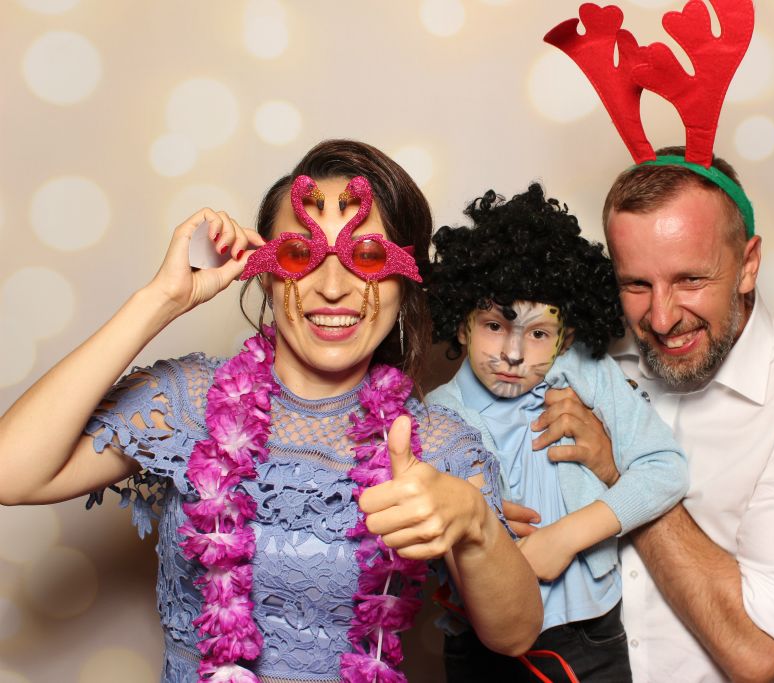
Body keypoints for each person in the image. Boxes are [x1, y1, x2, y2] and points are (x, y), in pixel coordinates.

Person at [0, 139, 542, 683]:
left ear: (406, 280)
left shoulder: (438, 445)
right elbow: (11, 473)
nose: (333, 287)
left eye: (369, 257)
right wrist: (161, 300)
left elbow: (514, 635)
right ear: (264, 270)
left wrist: (476, 523)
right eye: (300, 254)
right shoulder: (188, 401)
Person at [528, 147, 774, 683]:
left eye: (690, 280)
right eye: (636, 284)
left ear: (748, 265)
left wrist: (621, 471)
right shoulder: (584, 358)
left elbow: (758, 653)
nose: (662, 318)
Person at [424, 183, 688, 682]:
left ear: (566, 337)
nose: (514, 354)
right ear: (461, 324)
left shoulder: (588, 373)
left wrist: (564, 538)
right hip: (480, 646)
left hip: (591, 633)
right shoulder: (437, 416)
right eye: (495, 326)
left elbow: (665, 469)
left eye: (539, 333)